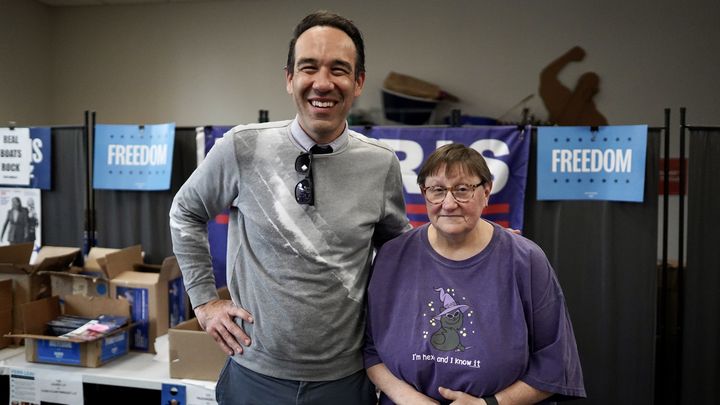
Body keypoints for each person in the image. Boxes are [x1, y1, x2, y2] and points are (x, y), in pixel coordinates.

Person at [169, 10, 410, 405]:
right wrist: (204, 301)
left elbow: (399, 252)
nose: (323, 83)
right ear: (289, 78)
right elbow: (185, 211)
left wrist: (472, 244)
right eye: (308, 68)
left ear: (358, 82)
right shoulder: (242, 147)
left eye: (339, 69)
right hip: (254, 376)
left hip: (345, 381)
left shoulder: (380, 164)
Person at [363, 144, 586, 405]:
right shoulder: (392, 257)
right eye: (437, 190)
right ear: (424, 194)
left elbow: (555, 365)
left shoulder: (525, 261)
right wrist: (409, 399)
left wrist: (489, 404)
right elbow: (370, 351)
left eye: (462, 189)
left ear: (486, 191)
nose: (448, 203)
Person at [539, 45, 608, 126]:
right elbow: (547, 76)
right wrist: (568, 57)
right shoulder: (559, 99)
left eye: (590, 88)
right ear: (579, 83)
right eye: (584, 84)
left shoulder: (596, 120)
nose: (586, 90)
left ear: (594, 92)